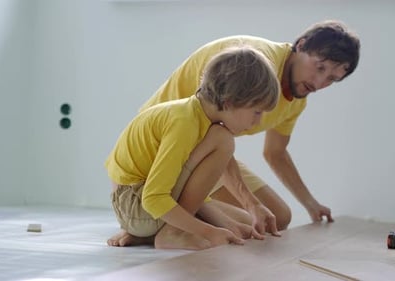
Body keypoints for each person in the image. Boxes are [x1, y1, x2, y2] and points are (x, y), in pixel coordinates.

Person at [138, 20, 361, 235]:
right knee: (251, 223)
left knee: (279, 217)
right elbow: (213, 135)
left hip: (202, 148)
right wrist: (250, 204)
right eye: (319, 67)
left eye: (332, 78)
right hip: (163, 143)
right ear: (301, 45)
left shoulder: (296, 99)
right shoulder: (257, 66)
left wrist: (311, 203)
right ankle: (166, 223)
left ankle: (178, 215)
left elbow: (276, 153)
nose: (320, 83)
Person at [104, 46, 280, 250]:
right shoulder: (185, 123)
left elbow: (187, 188)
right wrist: (209, 232)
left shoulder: (199, 117)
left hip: (143, 204)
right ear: (229, 102)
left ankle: (151, 234)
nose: (258, 122)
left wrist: (230, 226)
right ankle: (172, 233)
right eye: (257, 112)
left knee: (245, 222)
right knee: (223, 141)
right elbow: (154, 198)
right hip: (135, 204)